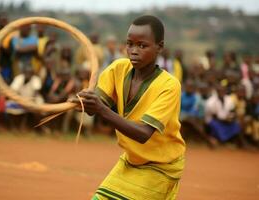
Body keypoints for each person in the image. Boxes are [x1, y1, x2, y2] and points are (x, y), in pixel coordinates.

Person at [71, 15, 185, 200]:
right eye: (130, 44)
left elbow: (143, 134)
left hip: (161, 166)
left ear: (160, 47)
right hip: (132, 160)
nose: (133, 51)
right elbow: (97, 104)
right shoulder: (118, 68)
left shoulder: (169, 85)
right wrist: (83, 101)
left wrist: (100, 108)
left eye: (142, 45)